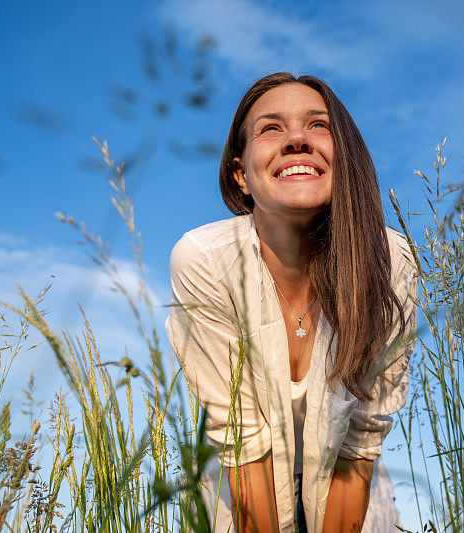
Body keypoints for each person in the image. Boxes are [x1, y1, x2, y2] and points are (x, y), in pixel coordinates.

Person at [165, 72, 418, 533]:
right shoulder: (204, 260)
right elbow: (240, 440)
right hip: (236, 485)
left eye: (319, 125)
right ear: (241, 175)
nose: (297, 139)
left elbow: (359, 441)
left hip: (352, 490)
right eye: (271, 128)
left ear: (345, 160)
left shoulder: (390, 262)